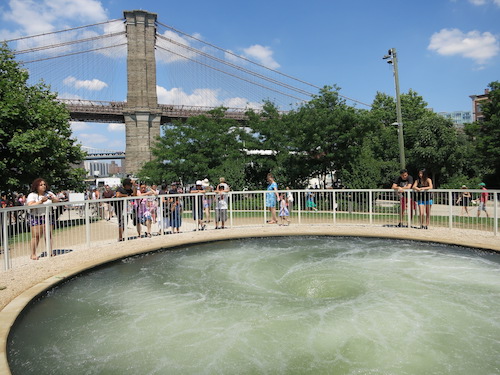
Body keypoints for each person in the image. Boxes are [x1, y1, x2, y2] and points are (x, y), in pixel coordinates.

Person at [26, 178, 59, 260]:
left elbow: (57, 201)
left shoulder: (49, 193)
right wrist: (40, 201)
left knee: (48, 235)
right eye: (41, 185)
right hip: (36, 217)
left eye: (44, 184)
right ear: (36, 186)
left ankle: (50, 251)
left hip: (48, 216)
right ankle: (33, 254)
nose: (43, 186)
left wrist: (52, 199)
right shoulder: (32, 195)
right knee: (36, 236)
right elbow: (30, 205)